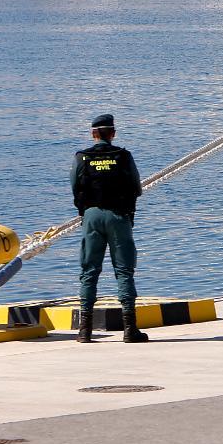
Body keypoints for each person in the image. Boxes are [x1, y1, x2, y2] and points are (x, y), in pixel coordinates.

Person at [72, 112, 148, 344]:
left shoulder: (82, 157)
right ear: (113, 133)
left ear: (93, 134)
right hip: (118, 216)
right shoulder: (123, 156)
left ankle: (85, 330)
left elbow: (75, 187)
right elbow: (136, 187)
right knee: (124, 270)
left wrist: (86, 210)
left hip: (92, 216)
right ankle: (130, 328)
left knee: (89, 270)